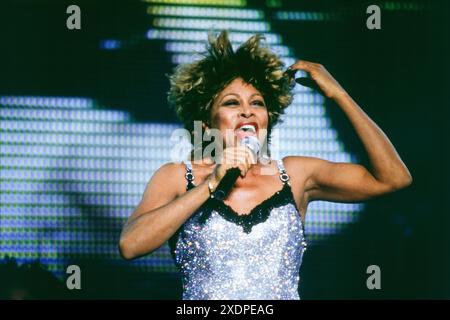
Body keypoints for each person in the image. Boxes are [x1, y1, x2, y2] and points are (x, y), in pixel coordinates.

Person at [118, 31, 412, 300]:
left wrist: (340, 95)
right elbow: (131, 245)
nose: (247, 110)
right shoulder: (177, 176)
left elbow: (393, 178)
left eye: (257, 103)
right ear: (207, 124)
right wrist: (210, 184)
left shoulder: (295, 174)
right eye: (232, 103)